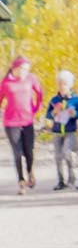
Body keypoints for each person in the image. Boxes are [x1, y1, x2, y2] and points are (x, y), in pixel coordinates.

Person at [2, 55, 43, 193]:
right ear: (15, 68)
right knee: (17, 152)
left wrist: (35, 109)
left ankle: (30, 171)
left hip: (27, 121)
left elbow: (39, 94)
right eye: (23, 69)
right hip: (11, 122)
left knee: (29, 151)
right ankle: (21, 181)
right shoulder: (6, 82)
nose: (25, 72)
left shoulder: (31, 79)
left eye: (27, 69)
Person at [44, 68, 78, 190]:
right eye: (60, 84)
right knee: (58, 156)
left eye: (65, 84)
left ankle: (71, 179)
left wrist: (75, 114)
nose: (62, 87)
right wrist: (54, 112)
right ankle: (60, 181)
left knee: (67, 153)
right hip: (57, 131)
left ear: (70, 85)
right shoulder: (54, 100)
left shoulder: (75, 99)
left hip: (70, 131)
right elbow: (48, 116)